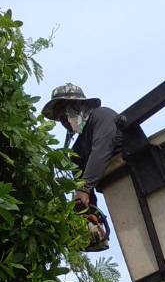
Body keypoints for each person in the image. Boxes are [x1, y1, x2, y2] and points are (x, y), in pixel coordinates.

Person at [40, 82, 118, 250]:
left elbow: (101, 150)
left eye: (66, 114)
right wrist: (86, 215)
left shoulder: (102, 116)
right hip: (117, 188)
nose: (65, 121)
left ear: (79, 106)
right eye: (61, 119)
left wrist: (85, 188)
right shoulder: (78, 150)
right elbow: (81, 186)